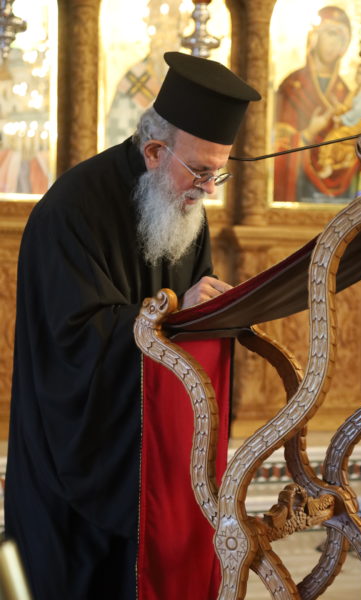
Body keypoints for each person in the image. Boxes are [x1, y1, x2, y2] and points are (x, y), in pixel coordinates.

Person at [4, 51, 261, 600]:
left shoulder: (184, 205)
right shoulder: (70, 209)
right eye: (201, 171)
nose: (209, 189)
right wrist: (174, 311)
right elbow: (73, 340)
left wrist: (210, 312)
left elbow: (193, 310)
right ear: (155, 151)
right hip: (75, 464)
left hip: (153, 457)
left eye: (218, 172)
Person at [274, 5, 358, 203]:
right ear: (315, 37)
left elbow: (356, 146)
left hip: (340, 196)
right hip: (298, 187)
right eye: (330, 34)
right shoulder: (292, 86)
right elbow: (275, 145)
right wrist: (310, 132)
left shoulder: (346, 93)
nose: (334, 43)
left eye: (341, 38)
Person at [318, 61, 361, 179]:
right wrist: (337, 106)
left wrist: (341, 118)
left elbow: (357, 113)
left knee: (335, 136)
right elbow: (347, 108)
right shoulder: (354, 92)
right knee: (332, 134)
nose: (358, 76)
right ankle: (329, 163)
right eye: (358, 73)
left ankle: (328, 165)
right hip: (354, 123)